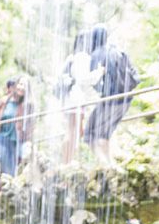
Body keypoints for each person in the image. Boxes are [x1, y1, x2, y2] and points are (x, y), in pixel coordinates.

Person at [83, 24, 138, 166]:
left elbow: (94, 81)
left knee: (89, 134)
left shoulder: (97, 54)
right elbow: (133, 73)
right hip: (125, 98)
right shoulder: (118, 51)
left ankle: (104, 165)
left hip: (110, 98)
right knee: (104, 133)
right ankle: (110, 164)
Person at [59, 30, 104, 164]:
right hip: (76, 99)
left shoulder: (72, 57)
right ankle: (66, 162)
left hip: (70, 99)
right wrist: (99, 73)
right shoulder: (82, 57)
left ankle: (68, 160)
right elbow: (84, 79)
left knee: (75, 130)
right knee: (72, 131)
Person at [0, 75, 35, 177]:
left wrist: (29, 142)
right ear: (15, 85)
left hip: (17, 141)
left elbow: (31, 126)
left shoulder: (28, 105)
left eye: (25, 86)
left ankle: (7, 190)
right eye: (20, 84)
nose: (21, 88)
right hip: (1, 138)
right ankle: (2, 190)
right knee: (1, 168)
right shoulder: (4, 102)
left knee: (12, 171)